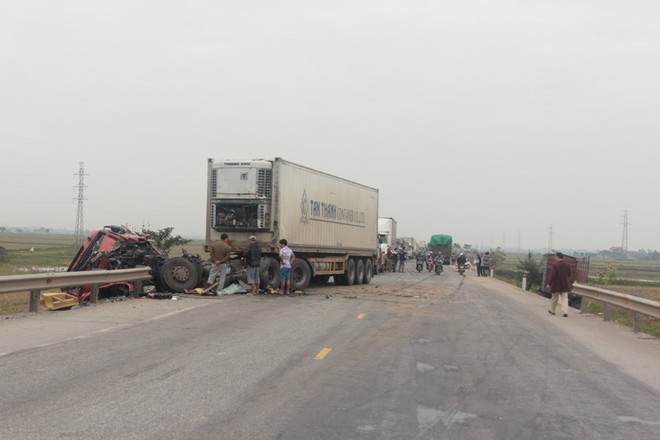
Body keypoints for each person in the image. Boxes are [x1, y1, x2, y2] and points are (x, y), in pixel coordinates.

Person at [546, 252, 573, 317]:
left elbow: (553, 275)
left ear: (557, 257)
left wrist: (549, 283)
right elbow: (569, 274)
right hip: (565, 284)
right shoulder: (567, 265)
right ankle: (565, 312)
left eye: (555, 256)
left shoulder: (555, 265)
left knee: (554, 298)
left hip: (556, 284)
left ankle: (552, 310)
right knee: (565, 298)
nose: (554, 258)